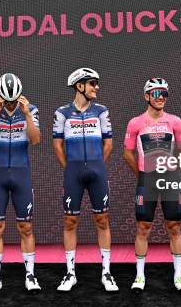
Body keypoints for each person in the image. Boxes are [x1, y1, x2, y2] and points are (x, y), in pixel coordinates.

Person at [53, 67, 118, 292]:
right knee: (70, 222)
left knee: (102, 220)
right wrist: (70, 167)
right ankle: (70, 274)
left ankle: (107, 273)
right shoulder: (62, 112)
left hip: (97, 171)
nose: (96, 87)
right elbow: (57, 144)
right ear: (79, 86)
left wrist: (97, 164)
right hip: (73, 173)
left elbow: (108, 143)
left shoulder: (101, 111)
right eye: (92, 83)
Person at [123, 77, 181, 293]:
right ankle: (140, 277)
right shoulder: (135, 123)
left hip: (170, 180)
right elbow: (127, 153)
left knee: (174, 226)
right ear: (146, 96)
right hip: (147, 180)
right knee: (143, 227)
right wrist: (142, 175)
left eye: (164, 93)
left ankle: (179, 277)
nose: (160, 97)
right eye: (155, 93)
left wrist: (175, 171)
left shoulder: (175, 121)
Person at [0, 73, 41, 294]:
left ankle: (30, 276)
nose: (10, 104)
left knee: (26, 227)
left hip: (21, 173)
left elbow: (35, 140)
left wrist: (27, 116)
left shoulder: (30, 109)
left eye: (13, 100)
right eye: (7, 101)